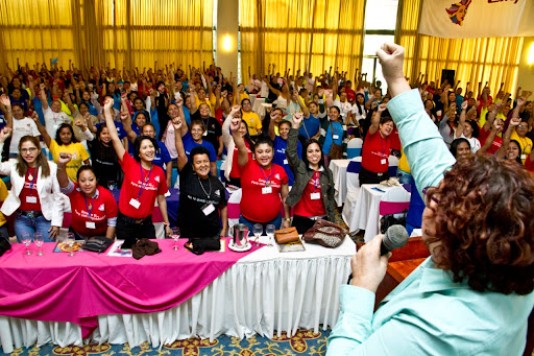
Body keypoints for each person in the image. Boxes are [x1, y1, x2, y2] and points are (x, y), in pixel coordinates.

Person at [327, 43, 534, 355]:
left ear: (469, 242)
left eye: (442, 210)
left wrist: (361, 288)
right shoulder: (499, 251)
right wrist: (396, 78)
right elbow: (433, 158)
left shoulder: (444, 329)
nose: (430, 202)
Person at [103, 97, 172, 248]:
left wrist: (166, 222)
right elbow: (114, 138)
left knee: (150, 258)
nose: (149, 150)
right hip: (126, 224)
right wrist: (107, 111)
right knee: (127, 261)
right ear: (139, 153)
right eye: (145, 148)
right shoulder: (130, 163)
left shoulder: (159, 172)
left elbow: (161, 199)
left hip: (146, 223)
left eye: (151, 147)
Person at [0, 129, 63, 242]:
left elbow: (58, 196)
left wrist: (57, 222)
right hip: (22, 220)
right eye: (24, 150)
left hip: (44, 218)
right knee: (27, 253)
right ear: (20, 151)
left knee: (47, 253)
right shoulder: (14, 166)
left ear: (39, 150)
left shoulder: (51, 167)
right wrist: (1, 141)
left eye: (32, 149)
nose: (28, 153)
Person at [231, 117, 290, 233]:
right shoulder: (247, 165)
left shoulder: (280, 171)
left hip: (274, 221)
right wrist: (234, 132)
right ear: (254, 154)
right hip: (248, 222)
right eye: (260, 152)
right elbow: (242, 147)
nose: (264, 155)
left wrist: (287, 218)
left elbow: (285, 197)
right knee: (249, 251)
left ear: (273, 153)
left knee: (271, 250)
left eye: (267, 151)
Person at [172, 116, 228, 239]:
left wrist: (224, 227)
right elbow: (181, 152)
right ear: (192, 166)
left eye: (205, 161)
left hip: (212, 234)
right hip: (189, 234)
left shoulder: (216, 184)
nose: (203, 165)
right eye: (198, 162)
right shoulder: (187, 178)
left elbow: (223, 206)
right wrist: (177, 131)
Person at [286, 112, 336, 234]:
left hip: (322, 219)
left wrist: (333, 221)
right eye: (310, 151)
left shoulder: (327, 172)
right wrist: (295, 127)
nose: (314, 154)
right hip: (302, 220)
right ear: (305, 154)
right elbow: (291, 152)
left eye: (317, 151)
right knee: (299, 252)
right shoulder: (300, 168)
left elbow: (330, 198)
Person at [57, 155, 118, 239]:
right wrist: (61, 166)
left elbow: (112, 223)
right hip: (78, 236)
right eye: (83, 180)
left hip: (101, 237)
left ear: (96, 180)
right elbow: (63, 183)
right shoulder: (74, 190)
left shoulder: (106, 195)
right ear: (78, 181)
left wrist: (106, 243)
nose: (87, 184)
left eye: (91, 180)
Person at [359, 104, 394, 185]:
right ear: (380, 126)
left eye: (391, 126)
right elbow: (375, 124)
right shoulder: (372, 133)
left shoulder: (389, 139)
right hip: (369, 176)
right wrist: (379, 112)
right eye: (387, 124)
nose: (389, 127)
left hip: (384, 176)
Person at [269, 109, 302, 186]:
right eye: (281, 129)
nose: (284, 131)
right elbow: (271, 132)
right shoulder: (276, 139)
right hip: (275, 175)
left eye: (287, 129)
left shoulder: (297, 142)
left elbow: (299, 163)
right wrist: (272, 120)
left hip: (291, 175)